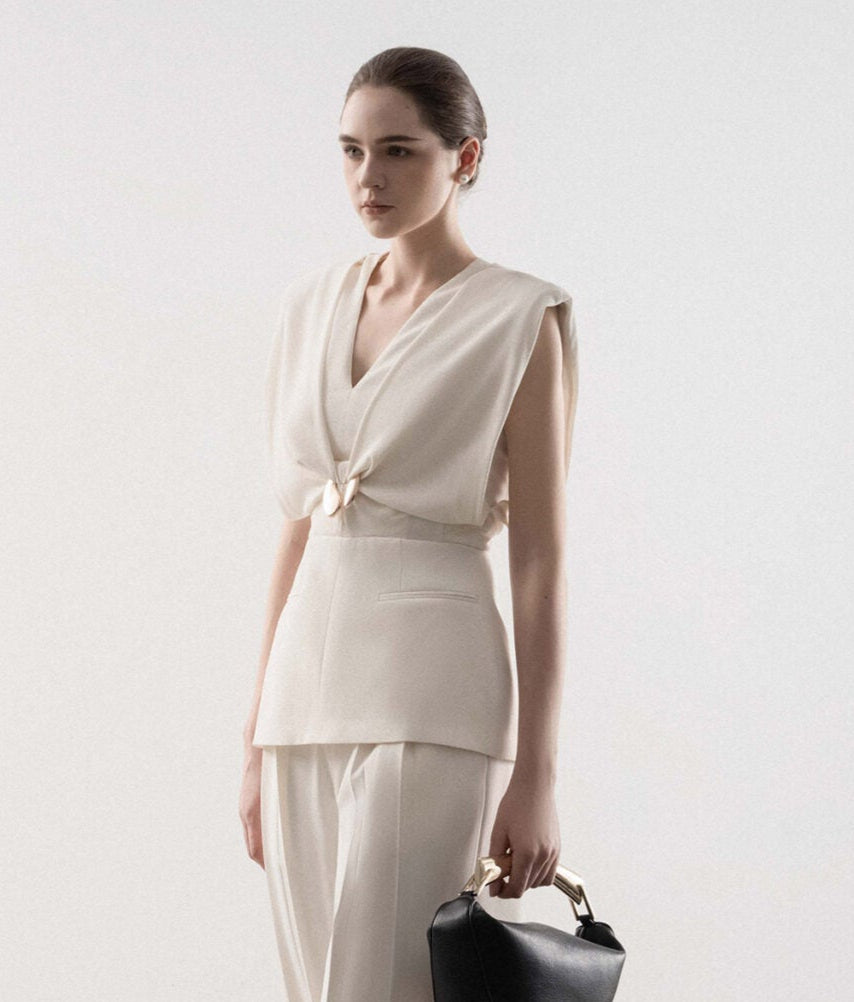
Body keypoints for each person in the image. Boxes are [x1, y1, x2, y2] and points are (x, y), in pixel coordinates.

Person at [238, 48, 579, 1002]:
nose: (368, 178)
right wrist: (255, 735)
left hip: (432, 697)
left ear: (464, 158)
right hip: (303, 698)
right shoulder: (309, 307)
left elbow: (541, 563)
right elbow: (300, 525)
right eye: (351, 151)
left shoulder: (519, 318)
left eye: (398, 151)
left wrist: (538, 775)